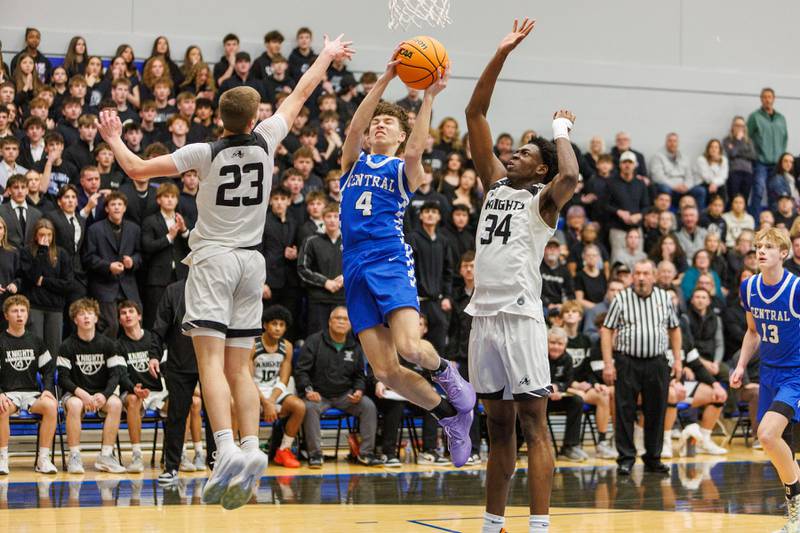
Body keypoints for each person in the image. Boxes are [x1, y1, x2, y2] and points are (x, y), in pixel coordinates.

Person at [97, 34, 353, 510]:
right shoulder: (269, 138)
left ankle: (227, 450)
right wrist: (327, 54)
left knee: (210, 363)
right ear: (255, 117)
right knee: (242, 365)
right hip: (252, 262)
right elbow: (301, 91)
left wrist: (113, 136)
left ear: (220, 118)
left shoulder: (203, 152)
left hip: (213, 259)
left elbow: (135, 169)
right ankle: (254, 447)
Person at [464, 18, 580, 533]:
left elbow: (572, 175)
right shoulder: (493, 185)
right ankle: (493, 523)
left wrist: (559, 131)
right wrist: (502, 51)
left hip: (521, 318)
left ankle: (539, 526)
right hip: (483, 318)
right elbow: (474, 111)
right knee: (497, 426)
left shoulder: (543, 202)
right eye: (514, 151)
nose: (512, 154)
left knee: (534, 424)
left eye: (526, 154)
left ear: (540, 170)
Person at [338, 41, 474, 468]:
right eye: (375, 122)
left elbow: (416, 150)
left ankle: (448, 375)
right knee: (385, 370)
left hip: (389, 258)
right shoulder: (353, 164)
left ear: (399, 135)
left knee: (410, 347)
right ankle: (451, 417)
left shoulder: (403, 169)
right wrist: (385, 78)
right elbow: (352, 129)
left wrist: (430, 95)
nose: (378, 126)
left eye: (387, 125)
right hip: (354, 263)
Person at [730, 227, 800, 531]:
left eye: (769, 246)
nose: (761, 251)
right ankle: (795, 510)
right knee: (774, 444)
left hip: (795, 374)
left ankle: (797, 510)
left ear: (783, 254)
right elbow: (753, 332)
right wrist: (741, 365)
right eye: (759, 245)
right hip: (768, 372)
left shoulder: (796, 289)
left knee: (768, 435)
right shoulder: (748, 288)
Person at [601, 259, 681, 476]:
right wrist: (608, 363)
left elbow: (674, 329)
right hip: (628, 362)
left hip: (657, 362)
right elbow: (607, 330)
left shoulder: (664, 298)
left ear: (654, 276)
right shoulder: (621, 299)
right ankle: (626, 458)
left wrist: (678, 360)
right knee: (624, 410)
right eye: (638, 273)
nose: (642, 278)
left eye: (646, 273)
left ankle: (653, 457)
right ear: (632, 276)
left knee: (656, 410)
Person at [296, 306, 381, 467]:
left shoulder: (355, 346)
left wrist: (358, 390)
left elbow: (359, 375)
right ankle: (315, 454)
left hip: (345, 396)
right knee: (309, 408)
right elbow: (301, 371)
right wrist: (308, 390)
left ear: (350, 324)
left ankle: (366, 453)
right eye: (338, 318)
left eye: (345, 319)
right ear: (329, 322)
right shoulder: (314, 341)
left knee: (368, 406)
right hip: (319, 395)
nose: (341, 322)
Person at [57, 298, 126, 474]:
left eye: (90, 313)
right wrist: (83, 395)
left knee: (116, 404)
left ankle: (106, 455)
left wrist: (104, 395)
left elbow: (115, 375)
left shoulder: (108, 344)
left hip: (100, 394)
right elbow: (63, 379)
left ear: (96, 318)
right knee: (74, 404)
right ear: (75, 320)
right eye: (81, 314)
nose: (86, 317)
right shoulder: (66, 346)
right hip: (76, 394)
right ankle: (74, 456)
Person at [0, 295, 58, 474]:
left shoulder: (36, 341)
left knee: (51, 405)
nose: (19, 314)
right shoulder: (1, 340)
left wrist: (47, 389)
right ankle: (2, 458)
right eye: (14, 311)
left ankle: (43, 459)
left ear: (27, 314)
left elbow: (49, 369)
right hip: (8, 394)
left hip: (32, 394)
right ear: (6, 316)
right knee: (0, 407)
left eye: (23, 310)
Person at [251, 306, 305, 468]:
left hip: (275, 391)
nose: (278, 328)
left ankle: (284, 450)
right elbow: (247, 379)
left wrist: (272, 401)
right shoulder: (253, 344)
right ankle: (249, 452)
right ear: (265, 325)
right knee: (245, 408)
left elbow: (284, 378)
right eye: (274, 324)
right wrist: (265, 403)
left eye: (282, 325)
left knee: (299, 406)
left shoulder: (286, 346)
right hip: (255, 390)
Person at [116, 300, 167, 473]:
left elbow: (167, 367)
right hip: (133, 391)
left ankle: (178, 453)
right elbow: (121, 375)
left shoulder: (154, 339)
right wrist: (133, 388)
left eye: (131, 311)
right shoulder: (118, 345)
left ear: (139, 316)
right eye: (123, 313)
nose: (128, 315)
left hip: (158, 392)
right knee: (133, 400)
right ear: (120, 320)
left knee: (183, 401)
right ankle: (137, 456)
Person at [82, 192, 142, 337]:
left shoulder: (134, 229)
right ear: (107, 209)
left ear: (125, 208)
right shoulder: (95, 229)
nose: (116, 208)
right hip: (104, 286)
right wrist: (108, 266)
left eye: (119, 204)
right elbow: (88, 258)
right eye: (113, 204)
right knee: (111, 326)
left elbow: (140, 255)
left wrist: (132, 261)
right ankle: (110, 359)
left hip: (128, 286)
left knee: (134, 325)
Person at [19, 218, 72, 359]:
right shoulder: (27, 252)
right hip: (35, 305)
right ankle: (36, 380)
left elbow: (67, 285)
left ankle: (51, 380)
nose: (45, 238)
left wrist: (44, 281)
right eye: (42, 235)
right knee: (36, 347)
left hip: (55, 307)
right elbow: (31, 278)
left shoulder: (61, 254)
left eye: (48, 235)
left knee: (54, 348)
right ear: (35, 235)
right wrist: (42, 252)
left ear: (53, 235)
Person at [297, 202, 344, 335]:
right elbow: (302, 268)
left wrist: (346, 277)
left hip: (344, 299)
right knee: (317, 337)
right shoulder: (311, 241)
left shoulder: (349, 242)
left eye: (336, 216)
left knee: (344, 338)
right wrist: (325, 282)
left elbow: (358, 265)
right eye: (329, 216)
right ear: (323, 218)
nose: (332, 220)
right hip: (318, 299)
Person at [546, 327, 587, 462]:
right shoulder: (538, 357)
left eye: (560, 344)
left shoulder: (567, 358)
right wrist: (548, 389)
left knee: (577, 401)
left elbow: (568, 381)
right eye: (552, 343)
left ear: (565, 345)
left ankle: (569, 446)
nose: (556, 347)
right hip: (540, 399)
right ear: (545, 343)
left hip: (557, 398)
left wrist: (558, 387)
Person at [747, 88, 788, 216]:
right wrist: (755, 155)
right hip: (761, 162)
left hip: (776, 164)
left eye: (770, 97)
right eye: (764, 97)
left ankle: (772, 223)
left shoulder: (781, 118)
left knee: (775, 193)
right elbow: (747, 138)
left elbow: (784, 138)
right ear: (761, 99)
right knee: (758, 191)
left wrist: (782, 158)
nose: (767, 99)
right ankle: (755, 223)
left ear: (774, 99)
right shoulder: (755, 117)